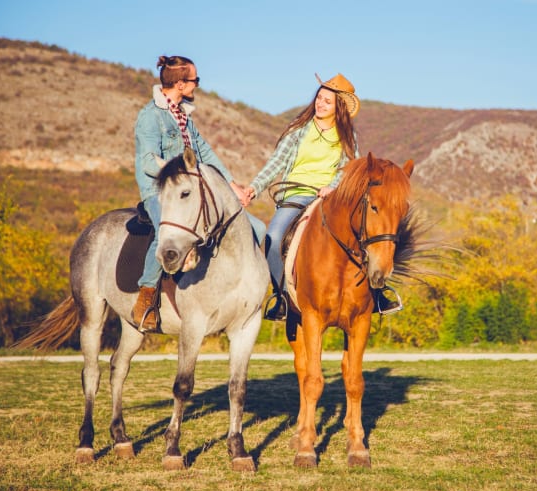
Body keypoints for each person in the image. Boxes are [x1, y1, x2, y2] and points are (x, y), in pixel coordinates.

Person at [242, 73, 401, 320]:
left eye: (327, 101)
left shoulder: (347, 135)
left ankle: (377, 293)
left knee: (364, 234)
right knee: (273, 238)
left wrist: (333, 186)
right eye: (319, 98)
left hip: (329, 198)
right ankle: (281, 296)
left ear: (338, 106)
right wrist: (254, 187)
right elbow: (276, 163)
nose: (320, 103)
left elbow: (351, 167)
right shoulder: (298, 130)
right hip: (295, 195)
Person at [132, 55, 247, 332]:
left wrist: (233, 186)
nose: (197, 85)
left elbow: (204, 152)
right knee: (166, 235)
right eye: (195, 80)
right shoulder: (150, 116)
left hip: (189, 191)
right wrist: (178, 172)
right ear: (181, 84)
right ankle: (146, 295)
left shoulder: (183, 114)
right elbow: (147, 161)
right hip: (159, 191)